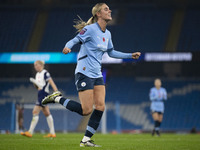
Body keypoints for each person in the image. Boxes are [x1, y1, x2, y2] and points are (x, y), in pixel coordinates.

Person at [42, 3, 141, 147]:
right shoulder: (89, 29)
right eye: (106, 9)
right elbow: (75, 40)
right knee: (86, 110)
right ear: (98, 14)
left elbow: (111, 52)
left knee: (100, 106)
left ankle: (86, 140)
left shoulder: (107, 33)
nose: (110, 10)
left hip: (97, 74)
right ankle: (57, 98)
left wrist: (129, 55)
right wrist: (68, 46)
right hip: (84, 72)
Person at [21, 60, 58, 138]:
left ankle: (30, 132)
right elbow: (38, 87)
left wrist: (56, 92)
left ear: (40, 65)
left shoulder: (45, 73)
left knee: (35, 111)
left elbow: (51, 82)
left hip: (44, 94)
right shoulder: (37, 74)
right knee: (47, 113)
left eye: (36, 65)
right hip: (40, 93)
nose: (35, 67)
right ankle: (52, 133)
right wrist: (35, 83)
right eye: (34, 65)